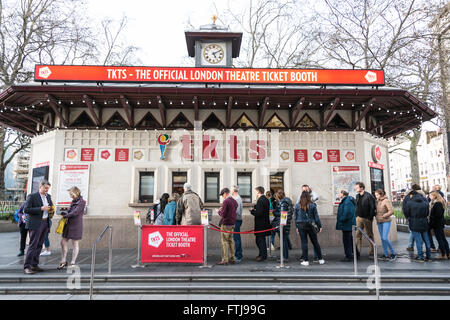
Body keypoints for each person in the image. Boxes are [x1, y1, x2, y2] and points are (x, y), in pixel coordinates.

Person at [23, 180, 53, 275]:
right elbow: (26, 209)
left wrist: (51, 208)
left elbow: (50, 206)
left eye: (48, 188)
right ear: (40, 187)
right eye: (45, 188)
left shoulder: (48, 196)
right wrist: (40, 208)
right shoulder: (32, 196)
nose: (47, 190)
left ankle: (34, 265)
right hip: (36, 224)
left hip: (45, 222)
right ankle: (27, 266)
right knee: (33, 245)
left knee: (40, 245)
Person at [57, 186, 86, 269]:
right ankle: (63, 260)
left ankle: (73, 262)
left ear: (75, 193)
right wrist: (65, 211)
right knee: (63, 241)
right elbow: (71, 211)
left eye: (71, 194)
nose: (70, 195)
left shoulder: (82, 202)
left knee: (75, 243)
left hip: (76, 225)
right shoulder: (74, 201)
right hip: (68, 224)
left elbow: (76, 212)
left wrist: (66, 215)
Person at [295, 191, 325, 266]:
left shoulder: (297, 206)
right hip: (311, 225)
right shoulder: (312, 205)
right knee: (315, 242)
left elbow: (295, 218)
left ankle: (305, 260)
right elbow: (316, 217)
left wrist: (296, 227)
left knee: (304, 243)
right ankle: (320, 259)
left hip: (301, 225)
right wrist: (319, 226)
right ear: (309, 197)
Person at [403, 188, 432, 262]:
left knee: (418, 240)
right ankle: (429, 256)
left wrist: (409, 218)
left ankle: (420, 256)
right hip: (424, 222)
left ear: (411, 195)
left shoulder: (409, 202)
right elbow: (427, 212)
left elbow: (406, 213)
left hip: (414, 222)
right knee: (426, 239)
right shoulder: (425, 201)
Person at [216, 188, 238, 265]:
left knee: (224, 242)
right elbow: (234, 208)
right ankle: (232, 258)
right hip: (232, 223)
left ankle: (225, 259)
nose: (222, 196)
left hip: (226, 224)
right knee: (231, 241)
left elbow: (223, 214)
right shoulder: (234, 200)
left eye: (222, 195)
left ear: (225, 193)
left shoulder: (226, 201)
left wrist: (218, 211)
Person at [354, 182, 376, 257]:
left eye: (357, 187)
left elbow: (372, 207)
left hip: (367, 218)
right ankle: (358, 252)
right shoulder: (357, 196)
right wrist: (356, 216)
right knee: (358, 235)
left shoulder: (368, 196)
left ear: (362, 188)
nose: (355, 189)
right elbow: (356, 206)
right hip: (359, 218)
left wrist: (370, 218)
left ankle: (372, 250)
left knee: (369, 235)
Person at [336, 190, 358, 262]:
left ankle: (349, 256)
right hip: (348, 223)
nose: (339, 194)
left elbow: (347, 212)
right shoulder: (347, 200)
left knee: (347, 240)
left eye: (339, 193)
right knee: (349, 240)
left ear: (342, 194)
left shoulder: (347, 201)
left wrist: (341, 219)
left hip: (347, 224)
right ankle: (356, 254)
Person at [250, 186, 271, 262]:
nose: (255, 193)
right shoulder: (265, 199)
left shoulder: (261, 200)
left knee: (260, 241)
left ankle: (263, 255)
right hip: (264, 223)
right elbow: (262, 208)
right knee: (260, 240)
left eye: (255, 191)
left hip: (261, 224)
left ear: (258, 192)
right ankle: (261, 254)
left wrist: (252, 211)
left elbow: (259, 213)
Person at [374, 189, 396, 261]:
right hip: (379, 221)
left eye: (377, 195)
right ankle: (386, 254)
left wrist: (385, 215)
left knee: (384, 238)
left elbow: (391, 211)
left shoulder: (386, 200)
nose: (376, 196)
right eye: (375, 195)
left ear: (381, 194)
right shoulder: (377, 201)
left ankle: (393, 253)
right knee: (382, 239)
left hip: (386, 221)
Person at [404, 184, 427, 251]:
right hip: (422, 217)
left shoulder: (408, 195)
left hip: (412, 217)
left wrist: (407, 217)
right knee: (421, 233)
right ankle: (423, 247)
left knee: (413, 231)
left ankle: (411, 246)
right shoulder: (422, 195)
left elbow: (405, 207)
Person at [273, 189, 293, 262]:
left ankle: (284, 257)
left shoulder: (283, 202)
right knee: (284, 240)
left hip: (282, 224)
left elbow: (283, 214)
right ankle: (285, 256)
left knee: (283, 241)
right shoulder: (287, 201)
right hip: (285, 223)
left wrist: (275, 213)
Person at [429, 191, 450, 259]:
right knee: (443, 239)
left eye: (431, 195)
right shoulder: (439, 203)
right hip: (439, 224)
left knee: (440, 239)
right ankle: (448, 253)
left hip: (437, 224)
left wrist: (431, 221)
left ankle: (443, 254)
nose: (429, 197)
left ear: (434, 196)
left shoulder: (437, 204)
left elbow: (437, 215)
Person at [231, 185, 244, 263]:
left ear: (233, 191)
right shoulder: (236, 198)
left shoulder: (237, 199)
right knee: (237, 238)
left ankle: (238, 256)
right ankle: (238, 255)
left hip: (236, 220)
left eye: (231, 190)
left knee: (236, 239)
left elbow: (237, 212)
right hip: (237, 220)